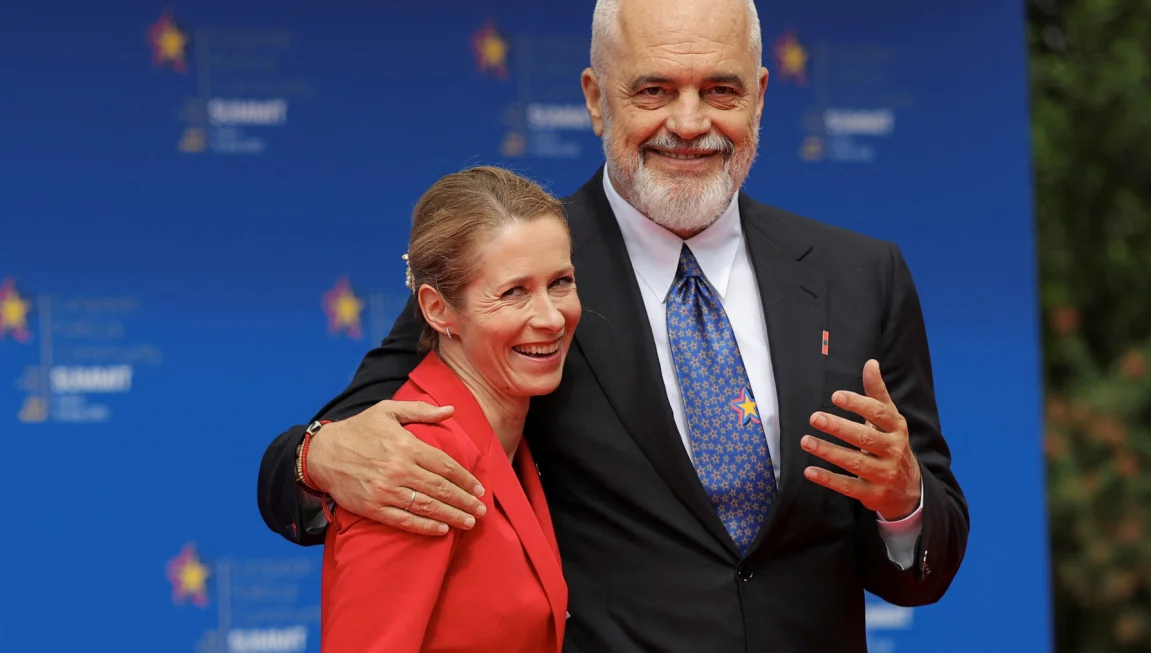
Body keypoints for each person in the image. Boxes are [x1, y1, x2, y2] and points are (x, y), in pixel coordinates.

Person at [259, 0, 970, 650]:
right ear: (596, 99)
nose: (688, 123)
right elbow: (326, 455)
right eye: (654, 90)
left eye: (720, 91)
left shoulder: (861, 274)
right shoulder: (521, 271)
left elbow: (925, 563)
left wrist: (902, 502)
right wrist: (316, 459)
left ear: (759, 96)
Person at [318, 166, 578, 652]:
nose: (550, 317)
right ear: (438, 310)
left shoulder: (507, 439)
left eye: (561, 282)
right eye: (514, 292)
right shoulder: (413, 461)